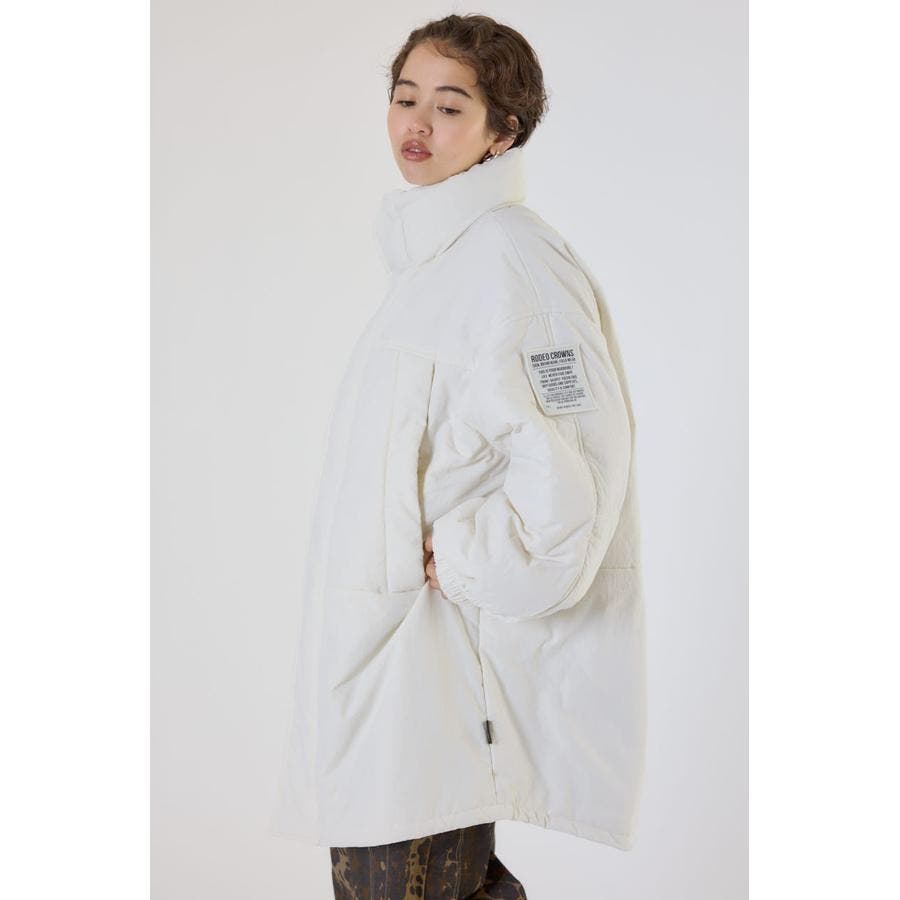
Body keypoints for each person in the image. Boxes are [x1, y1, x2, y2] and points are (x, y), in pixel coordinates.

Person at [270, 13, 647, 899]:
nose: (417, 125)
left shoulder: (512, 263)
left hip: (432, 690)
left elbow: (576, 479)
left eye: (449, 107)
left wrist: (468, 555)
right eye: (406, 99)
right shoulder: (438, 266)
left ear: (501, 132)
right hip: (388, 681)